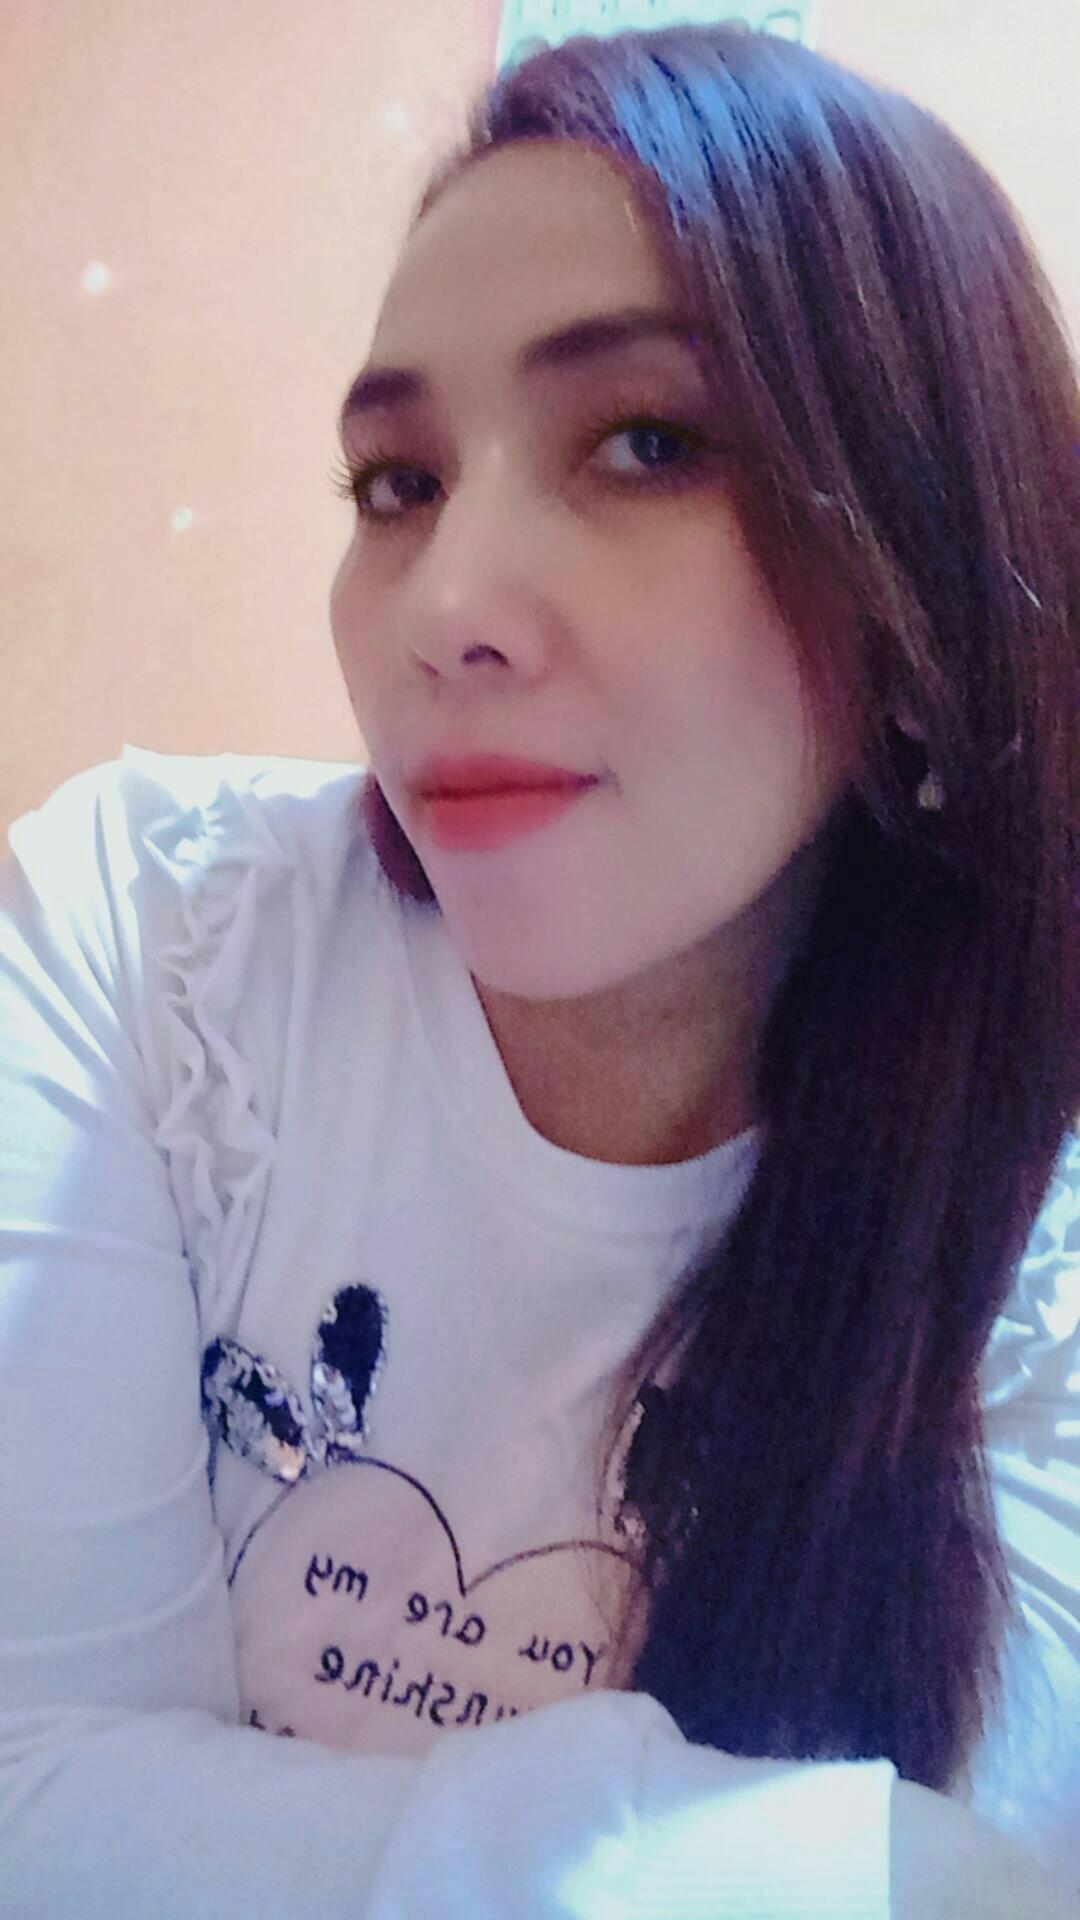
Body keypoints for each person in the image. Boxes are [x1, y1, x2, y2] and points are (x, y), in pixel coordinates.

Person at [1, 22, 1077, 1920]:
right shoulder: (150, 933)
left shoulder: (1037, 1223)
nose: (443, 609)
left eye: (647, 444)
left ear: (921, 573)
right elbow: (28, 1791)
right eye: (396, 480)